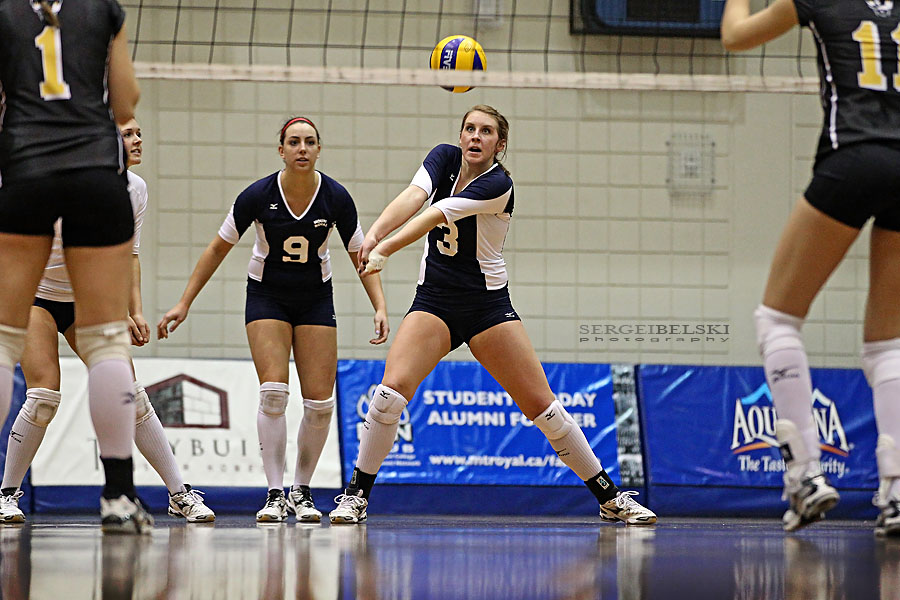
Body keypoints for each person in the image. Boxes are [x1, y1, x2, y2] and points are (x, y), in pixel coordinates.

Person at [330, 105, 658, 526]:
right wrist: (375, 232)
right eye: (469, 128)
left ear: (499, 145)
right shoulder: (444, 158)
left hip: (487, 307)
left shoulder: (498, 183)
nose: (475, 137)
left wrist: (385, 249)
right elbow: (414, 196)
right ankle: (356, 497)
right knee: (389, 394)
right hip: (435, 302)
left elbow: (435, 214)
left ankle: (610, 498)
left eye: (486, 132)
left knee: (544, 408)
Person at [722, 0, 900, 535]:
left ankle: (804, 475)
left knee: (777, 319)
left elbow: (735, 37)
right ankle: (896, 491)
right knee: (888, 344)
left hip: (854, 157)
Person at [157, 116, 389, 523]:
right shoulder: (257, 195)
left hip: (315, 298)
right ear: (281, 150)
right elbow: (216, 249)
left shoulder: (336, 197)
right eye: (294, 142)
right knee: (274, 393)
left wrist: (380, 305)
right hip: (267, 297)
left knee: (320, 403)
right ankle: (275, 493)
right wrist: (184, 303)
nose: (302, 149)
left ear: (319, 150)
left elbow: (361, 255)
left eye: (310, 142)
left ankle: (302, 490)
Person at [0, 120, 215, 524]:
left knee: (131, 393)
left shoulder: (135, 189)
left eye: (139, 133)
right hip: (35, 295)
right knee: (43, 396)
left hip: (88, 296)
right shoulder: (54, 175)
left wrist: (134, 309)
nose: (137, 140)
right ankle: (7, 494)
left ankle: (179, 494)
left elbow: (128, 255)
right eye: (127, 134)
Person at [0, 0, 150, 533]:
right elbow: (125, 101)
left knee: (3, 341)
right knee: (107, 340)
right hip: (94, 171)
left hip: (24, 169)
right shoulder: (102, 9)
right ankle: (118, 496)